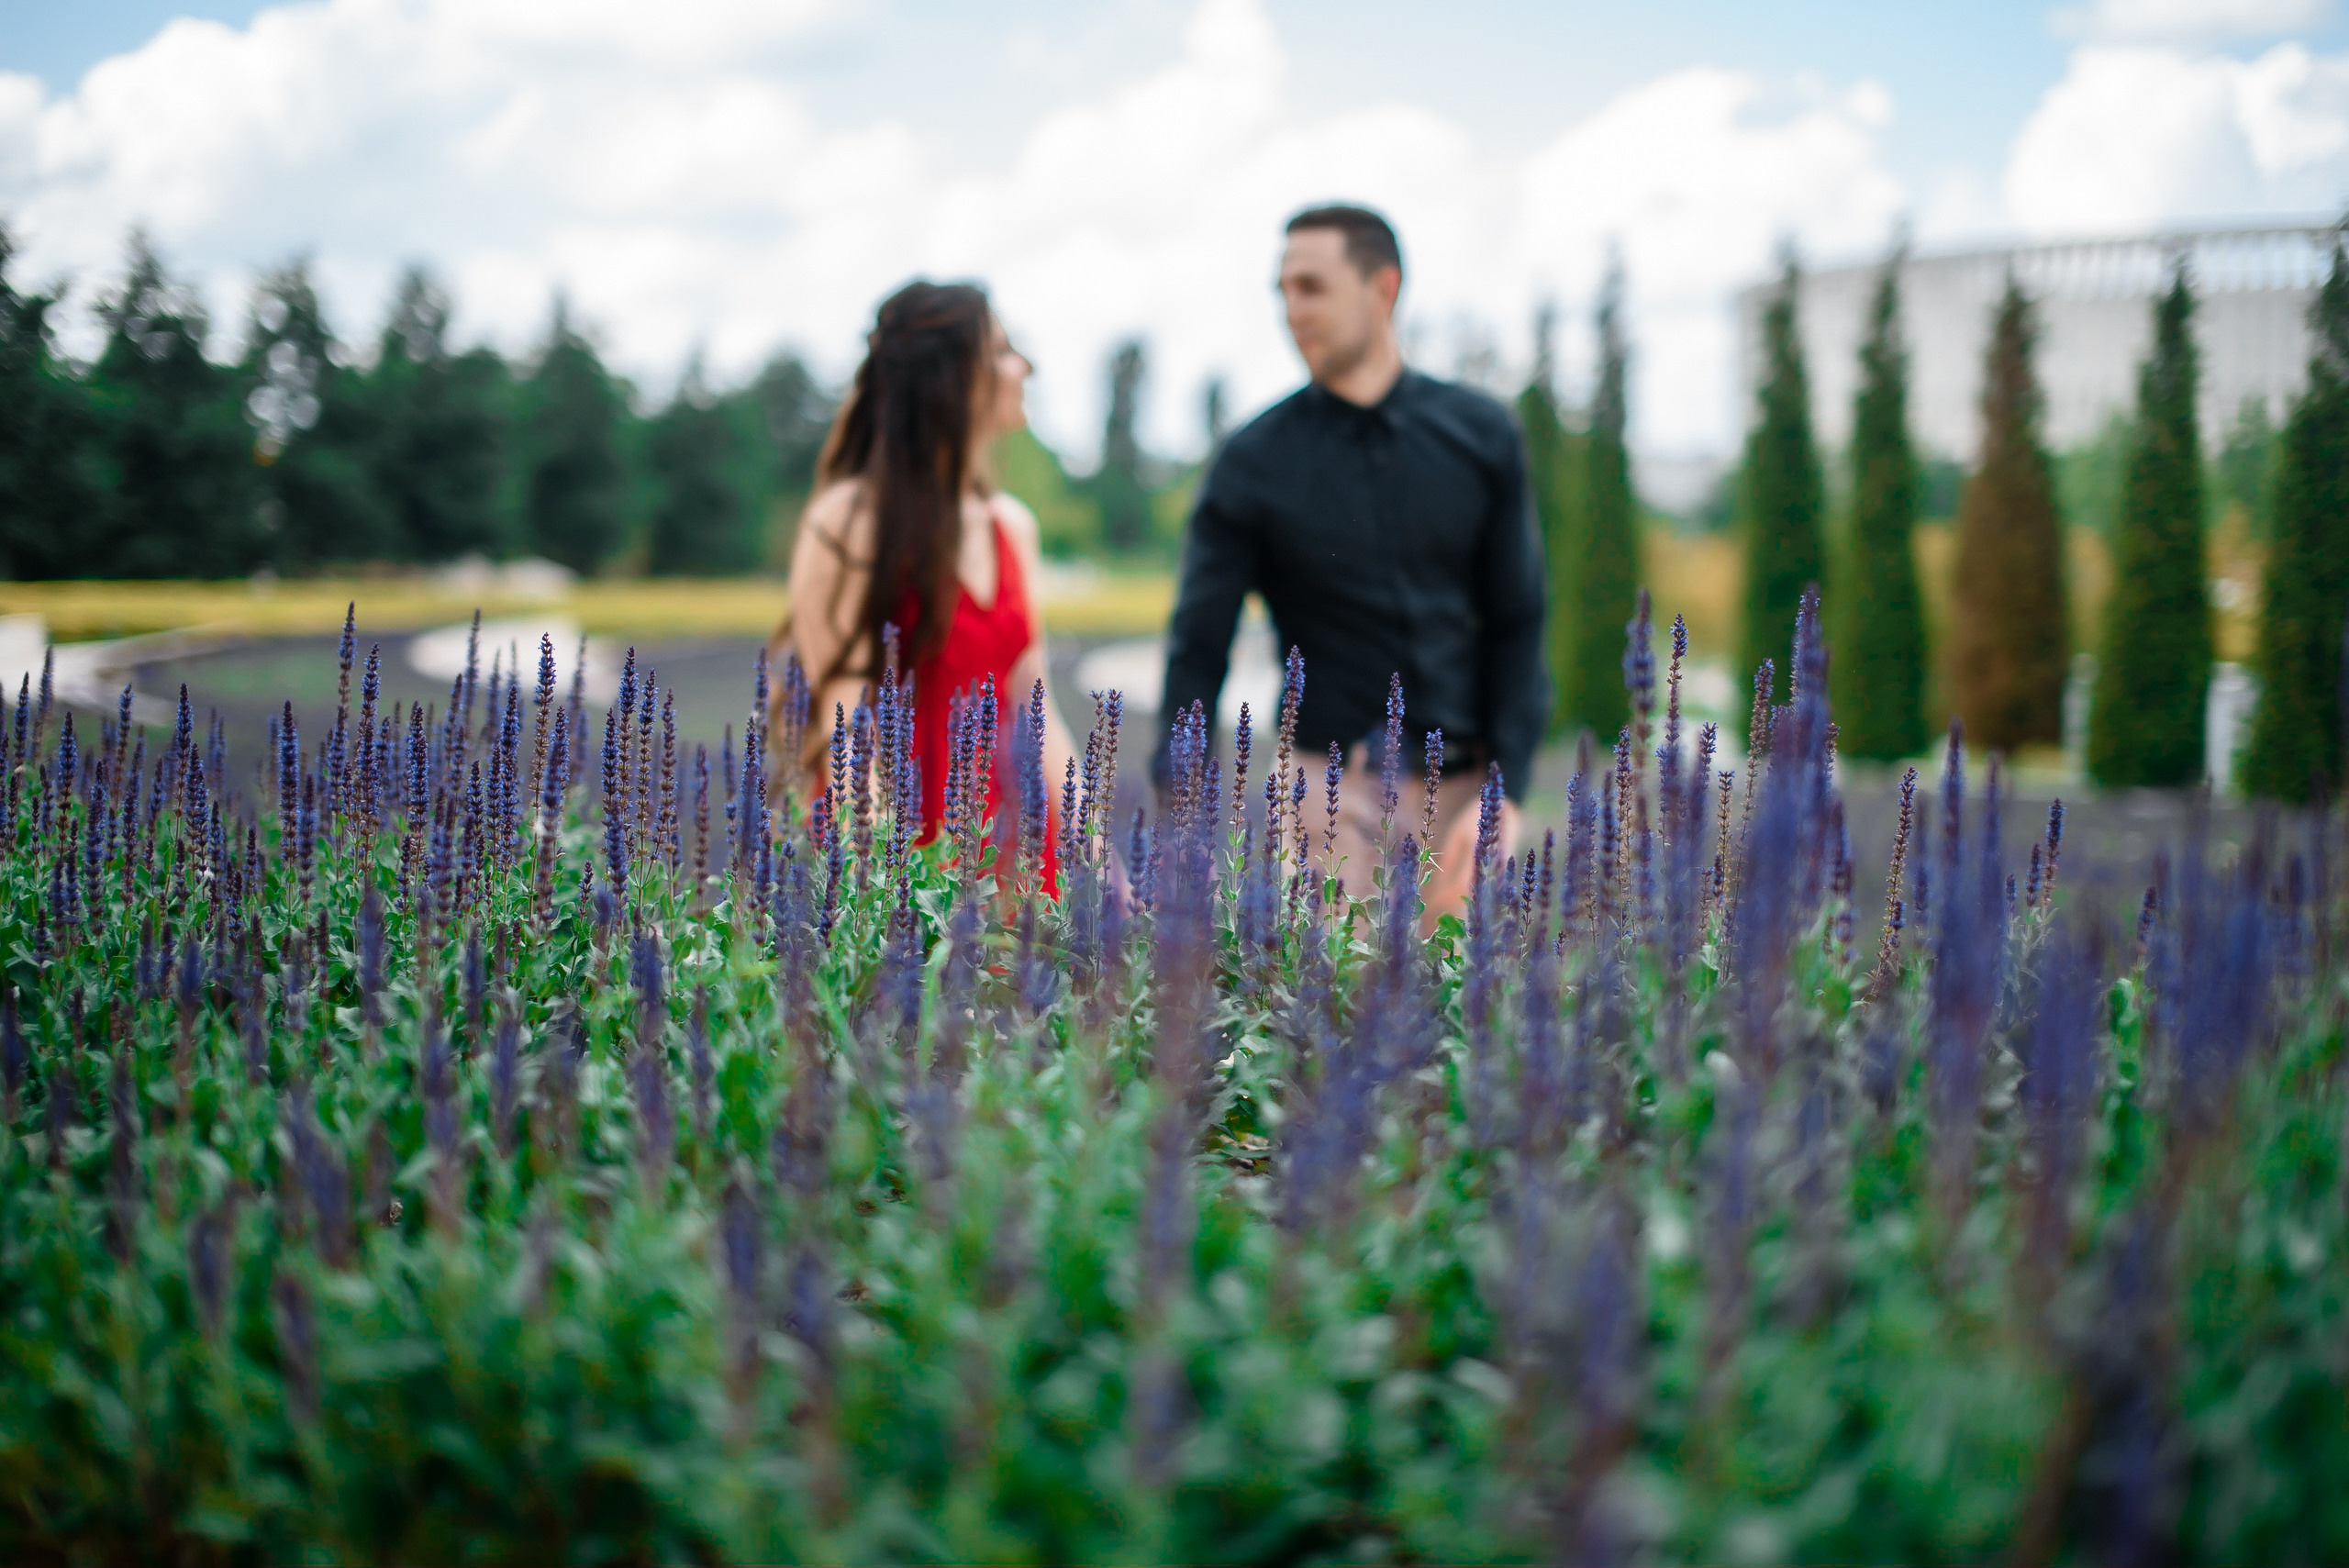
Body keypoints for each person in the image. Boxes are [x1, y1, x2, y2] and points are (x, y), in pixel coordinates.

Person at [1153, 204, 1548, 917]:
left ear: (1382, 289)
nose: (1291, 309)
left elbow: (1517, 619)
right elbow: (1198, 645)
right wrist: (1184, 814)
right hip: (1326, 803)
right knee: (1327, 991)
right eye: (1282, 290)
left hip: (1468, 799)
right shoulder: (1252, 461)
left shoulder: (1482, 435)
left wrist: (1508, 792)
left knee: (1479, 992)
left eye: (1312, 287)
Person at [775, 280, 1078, 879]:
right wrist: (883, 890)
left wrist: (1097, 853)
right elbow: (845, 719)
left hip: (1015, 851)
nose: (1024, 367)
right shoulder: (847, 523)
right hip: (901, 849)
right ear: (951, 378)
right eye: (1002, 351)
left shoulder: (1013, 526)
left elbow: (1036, 708)